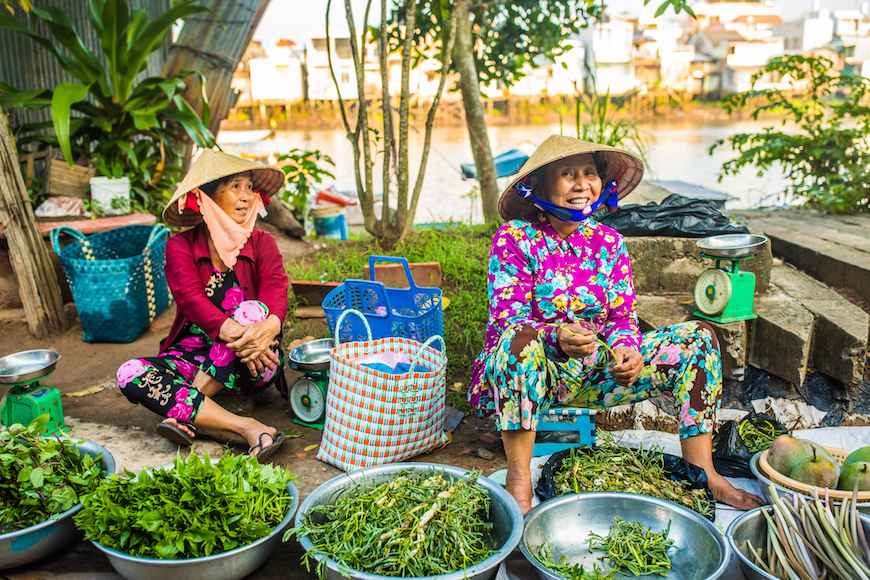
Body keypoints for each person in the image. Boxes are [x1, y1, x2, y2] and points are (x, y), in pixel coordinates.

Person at [468, 135, 764, 513]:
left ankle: (704, 473)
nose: (582, 184)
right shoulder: (515, 239)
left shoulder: (609, 242)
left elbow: (622, 316)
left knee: (700, 339)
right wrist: (556, 336)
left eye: (589, 173)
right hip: (536, 377)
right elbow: (508, 319)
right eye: (567, 174)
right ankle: (519, 480)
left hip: (598, 372)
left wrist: (627, 348)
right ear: (539, 186)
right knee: (518, 340)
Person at [116, 149, 289, 463]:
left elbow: (276, 288)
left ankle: (184, 412)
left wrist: (270, 328)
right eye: (235, 186)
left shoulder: (263, 242)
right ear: (207, 196)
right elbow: (191, 300)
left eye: (249, 187)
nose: (246, 196)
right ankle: (244, 427)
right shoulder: (178, 246)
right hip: (192, 359)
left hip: (254, 363)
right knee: (130, 373)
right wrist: (240, 334)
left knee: (252, 312)